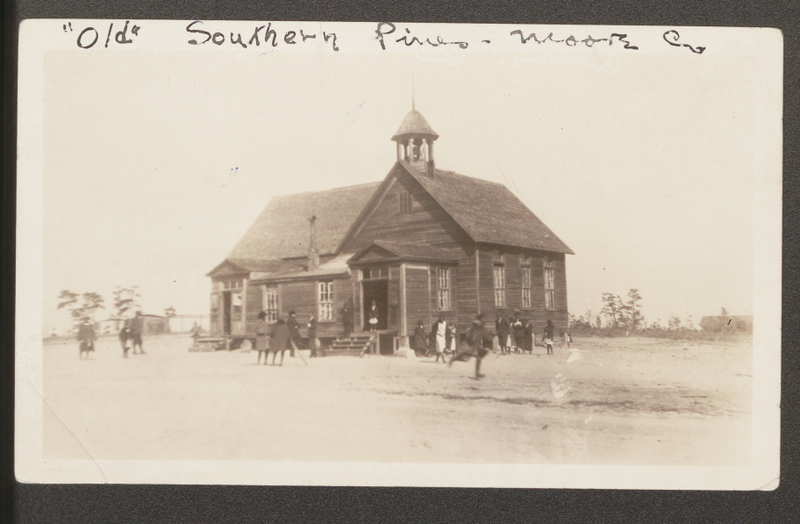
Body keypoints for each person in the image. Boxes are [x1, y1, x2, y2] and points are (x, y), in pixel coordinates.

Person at [449, 313, 491, 379]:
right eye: (484, 319)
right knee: (466, 359)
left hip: (475, 344)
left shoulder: (481, 326)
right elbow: (471, 333)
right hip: (470, 344)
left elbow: (483, 333)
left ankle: (477, 373)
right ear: (480, 319)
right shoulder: (476, 325)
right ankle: (454, 358)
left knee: (478, 358)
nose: (485, 320)